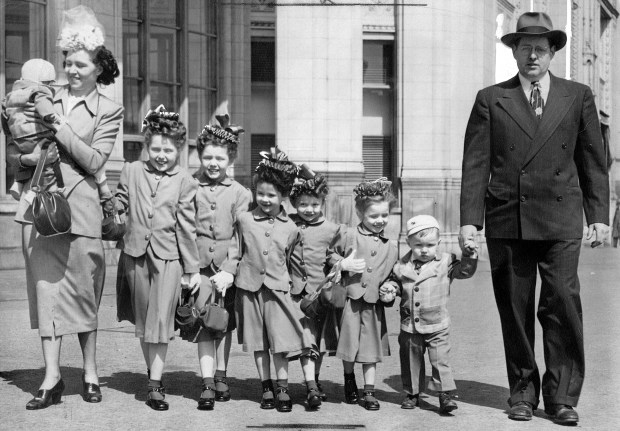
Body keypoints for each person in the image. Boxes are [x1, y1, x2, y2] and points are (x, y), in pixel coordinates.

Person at [459, 12, 609, 425]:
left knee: (562, 303)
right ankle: (522, 392)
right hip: (508, 216)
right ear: (513, 51)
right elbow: (476, 163)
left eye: (540, 49)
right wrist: (470, 220)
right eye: (524, 47)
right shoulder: (491, 98)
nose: (532, 56)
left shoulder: (576, 96)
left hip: (561, 219)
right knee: (515, 307)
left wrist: (599, 215)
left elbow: (593, 160)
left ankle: (562, 396)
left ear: (552, 53)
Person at [5, 5, 123, 410]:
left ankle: (89, 373)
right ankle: (51, 378)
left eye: (80, 64)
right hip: (40, 208)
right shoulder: (44, 96)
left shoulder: (109, 109)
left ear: (98, 66)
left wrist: (57, 125)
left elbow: (93, 161)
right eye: (67, 63)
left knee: (85, 294)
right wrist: (25, 157)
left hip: (84, 211)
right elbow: (15, 149)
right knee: (46, 292)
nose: (71, 70)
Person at [115, 106, 201, 411]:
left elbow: (186, 225)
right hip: (135, 256)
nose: (161, 154)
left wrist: (192, 269)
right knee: (144, 323)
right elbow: (121, 202)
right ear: (146, 147)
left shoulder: (185, 181)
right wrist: (112, 206)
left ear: (178, 149)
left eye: (168, 149)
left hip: (168, 260)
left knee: (161, 323)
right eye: (155, 148)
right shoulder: (132, 171)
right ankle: (152, 374)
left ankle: (154, 384)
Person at [229, 146, 313, 413]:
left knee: (279, 343)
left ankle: (283, 388)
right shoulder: (243, 219)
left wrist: (301, 289)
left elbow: (295, 262)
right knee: (259, 343)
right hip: (249, 289)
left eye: (271, 195)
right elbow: (236, 249)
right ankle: (265, 386)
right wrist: (228, 272)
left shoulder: (291, 227)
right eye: (260, 194)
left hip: (278, 291)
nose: (265, 199)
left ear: (283, 196)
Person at [181, 114, 252, 410]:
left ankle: (222, 374)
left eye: (219, 158)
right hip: (199, 270)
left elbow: (241, 235)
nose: (213, 163)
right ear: (199, 156)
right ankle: (207, 381)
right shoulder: (189, 186)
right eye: (207, 156)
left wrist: (230, 270)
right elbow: (183, 228)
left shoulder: (240, 193)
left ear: (230, 158)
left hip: (224, 271)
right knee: (203, 327)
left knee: (223, 325)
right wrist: (189, 269)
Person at [383, 215, 477, 414]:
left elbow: (465, 272)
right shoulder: (401, 266)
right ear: (408, 242)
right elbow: (396, 285)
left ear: (438, 243)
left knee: (440, 359)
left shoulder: (446, 262)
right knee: (410, 360)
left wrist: (469, 256)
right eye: (418, 245)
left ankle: (445, 394)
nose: (424, 250)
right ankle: (412, 393)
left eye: (430, 245)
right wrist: (389, 289)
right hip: (410, 325)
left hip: (437, 324)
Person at [327, 178, 399, 411]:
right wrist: (343, 263)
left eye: (384, 216)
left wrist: (391, 288)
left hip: (373, 304)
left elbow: (392, 275)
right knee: (349, 344)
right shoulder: (348, 235)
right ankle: (349, 379)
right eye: (373, 216)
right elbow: (330, 256)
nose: (380, 221)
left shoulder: (392, 245)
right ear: (360, 214)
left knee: (371, 348)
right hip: (351, 300)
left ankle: (369, 391)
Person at [289, 165, 344, 408]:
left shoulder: (332, 229)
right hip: (295, 295)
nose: (309, 210)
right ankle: (310, 385)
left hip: (319, 295)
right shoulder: (288, 224)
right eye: (303, 204)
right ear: (294, 204)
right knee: (307, 340)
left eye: (314, 204)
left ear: (322, 202)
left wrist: (340, 263)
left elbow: (333, 255)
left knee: (318, 343)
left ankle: (315, 380)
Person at [1, 59, 59, 200]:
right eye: (50, 82)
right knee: (48, 162)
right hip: (38, 134)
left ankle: (18, 183)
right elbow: (44, 107)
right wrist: (52, 118)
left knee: (23, 163)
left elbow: (4, 117)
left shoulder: (9, 96)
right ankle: (36, 191)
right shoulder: (40, 90)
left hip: (18, 137)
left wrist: (11, 133)